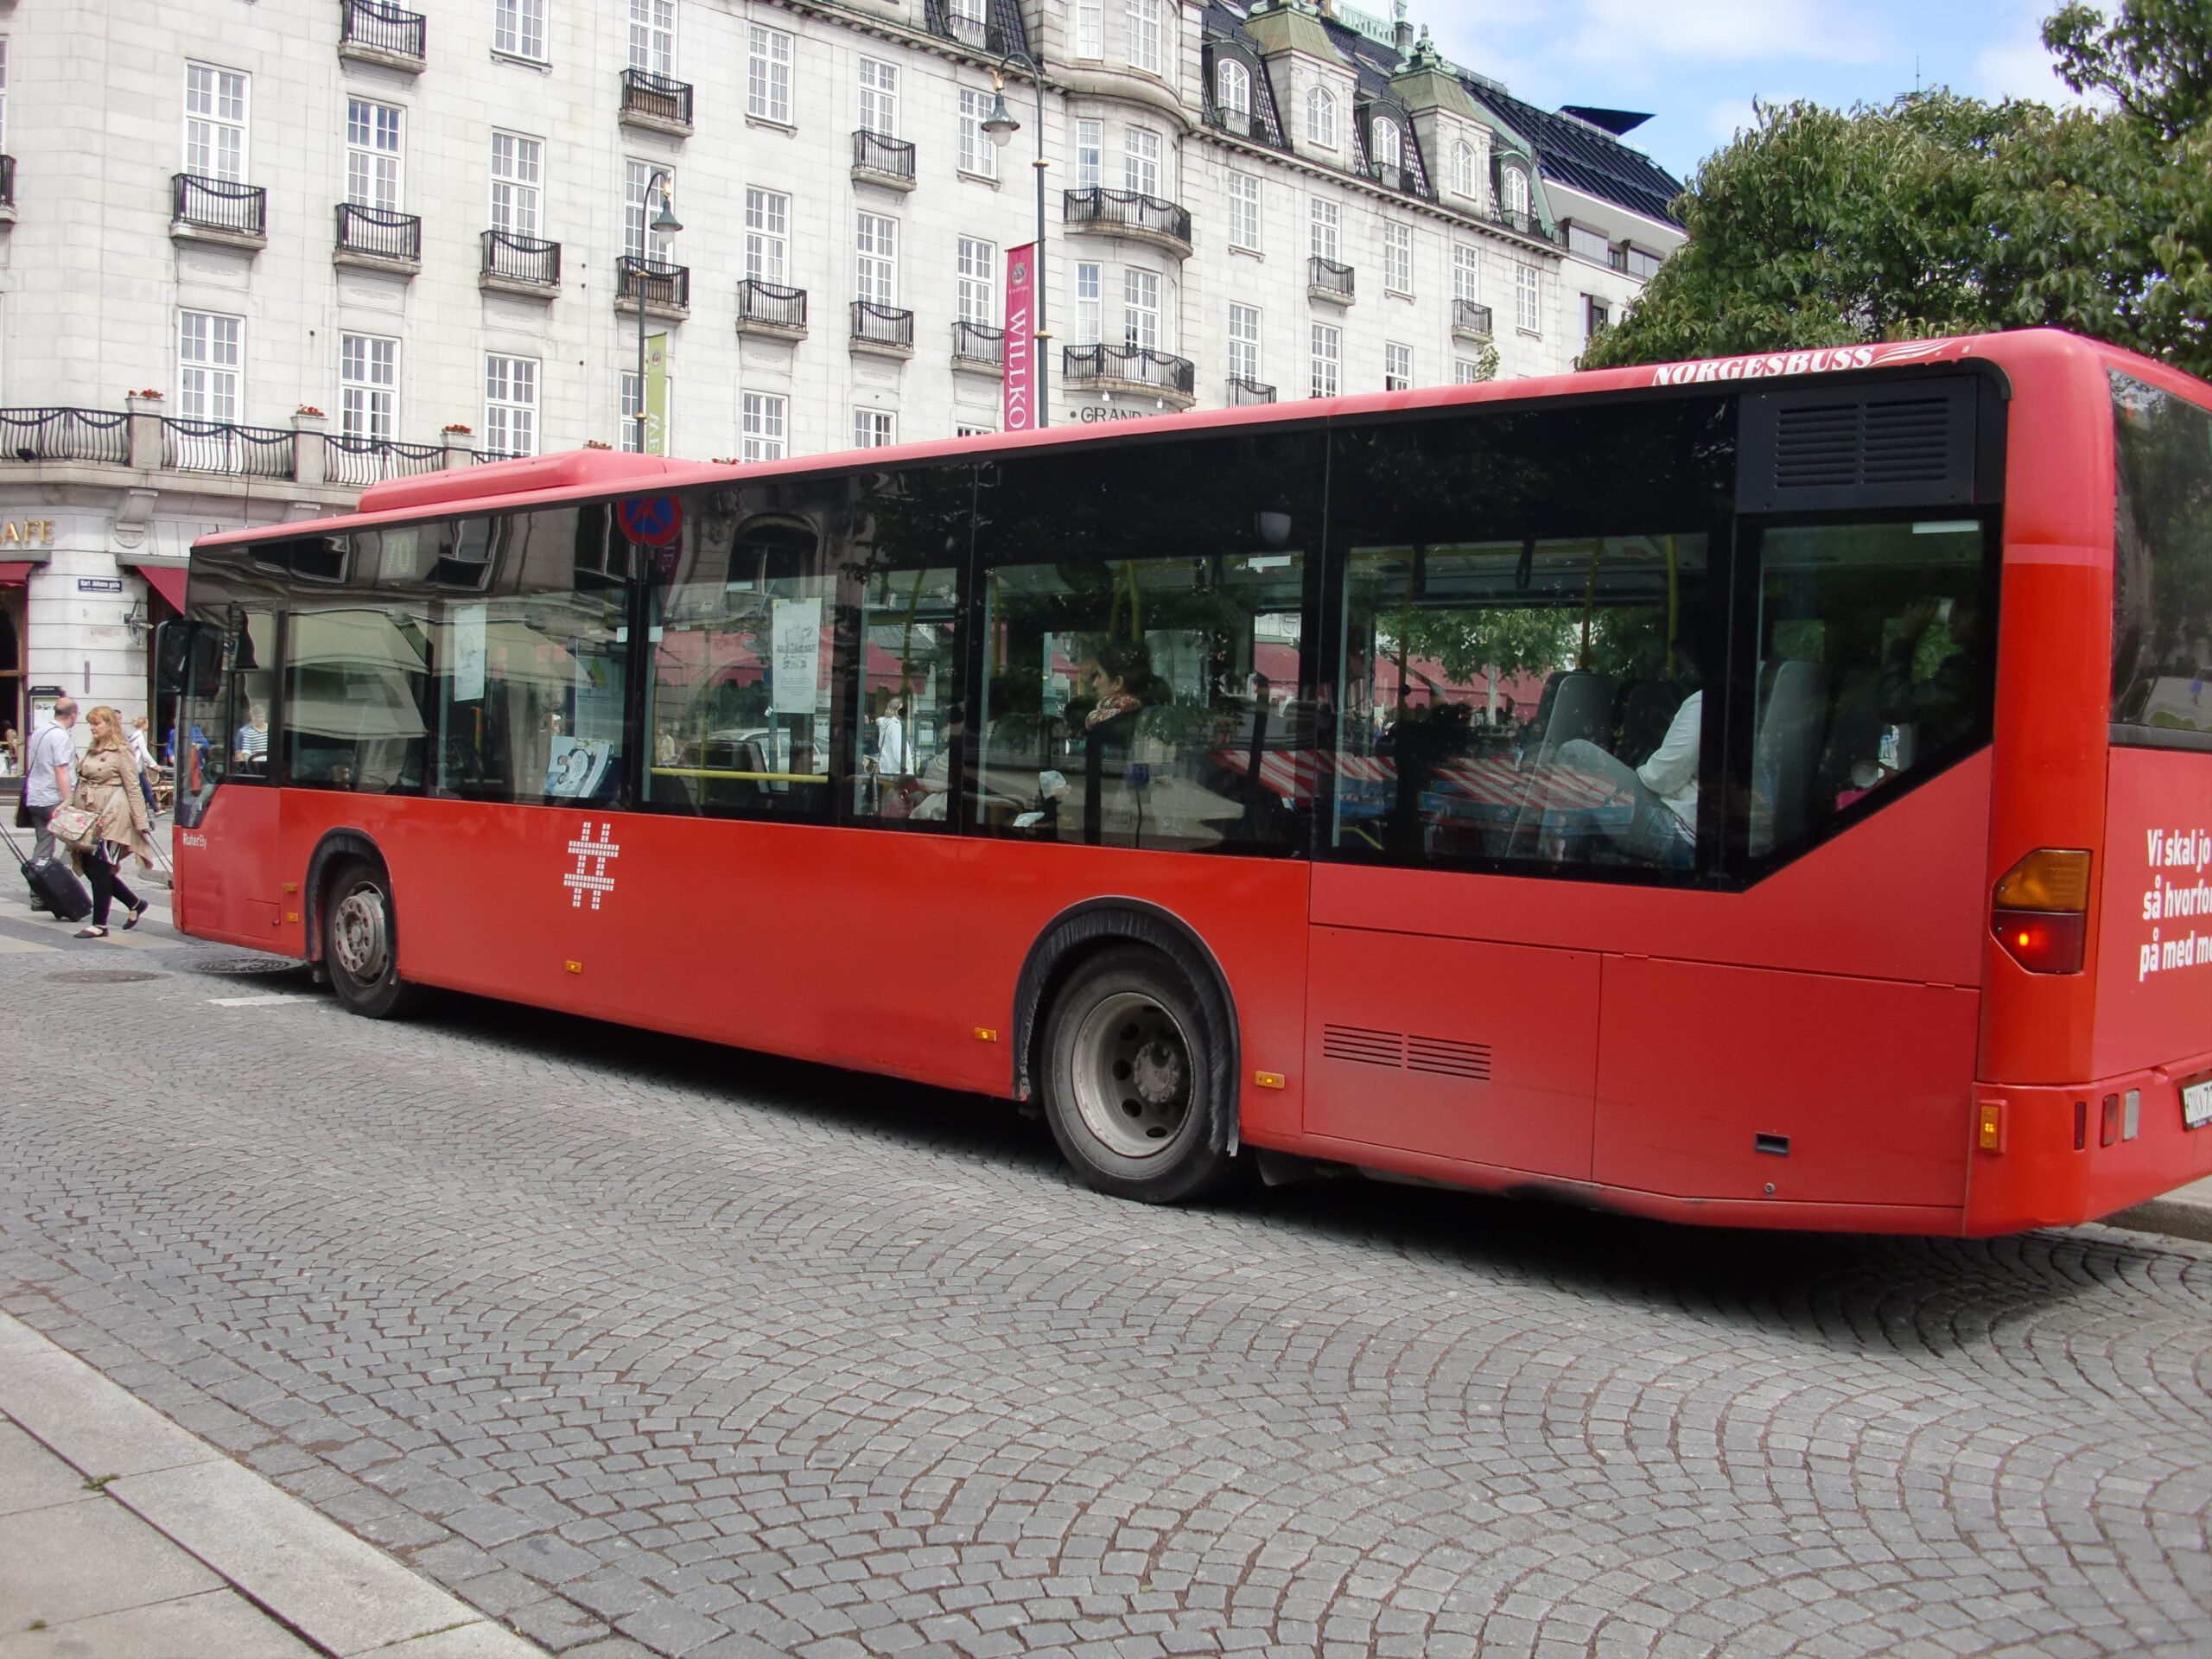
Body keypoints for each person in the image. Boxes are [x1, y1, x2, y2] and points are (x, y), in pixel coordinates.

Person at [1555, 666, 1701, 868]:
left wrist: (1631, 778)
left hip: (1679, 833)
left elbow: (1661, 778)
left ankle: (1561, 861)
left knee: (1576, 752)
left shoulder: (1701, 703)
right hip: (1699, 834)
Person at [65, 705, 153, 938]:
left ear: (109, 725)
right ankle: (134, 903)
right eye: (91, 723)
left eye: (97, 723)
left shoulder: (121, 751)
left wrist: (141, 821)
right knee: (91, 867)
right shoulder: (93, 749)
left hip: (112, 816)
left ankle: (100, 924)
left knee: (100, 868)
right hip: (89, 817)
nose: (93, 728)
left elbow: (134, 787)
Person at [22, 700, 79, 869]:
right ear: (73, 714)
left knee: (44, 844)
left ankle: (38, 889)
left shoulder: (40, 731)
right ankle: (60, 876)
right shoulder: (61, 736)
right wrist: (68, 801)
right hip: (53, 799)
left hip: (35, 797)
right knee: (78, 839)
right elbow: (61, 769)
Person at [128, 715, 159, 818]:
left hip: (136, 766)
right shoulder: (140, 736)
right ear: (144, 724)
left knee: (146, 788)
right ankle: (149, 812)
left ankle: (156, 810)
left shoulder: (134, 735)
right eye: (147, 723)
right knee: (142, 790)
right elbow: (145, 754)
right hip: (136, 767)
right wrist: (154, 765)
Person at [874, 696, 907, 776]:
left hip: (885, 767)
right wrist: (904, 765)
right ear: (894, 710)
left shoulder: (885, 724)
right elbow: (897, 748)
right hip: (895, 770)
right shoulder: (895, 725)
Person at [234, 702, 269, 769]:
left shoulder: (272, 729)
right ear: (252, 717)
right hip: (254, 766)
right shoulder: (244, 732)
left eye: (262, 716)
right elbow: (240, 753)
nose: (261, 719)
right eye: (258, 717)